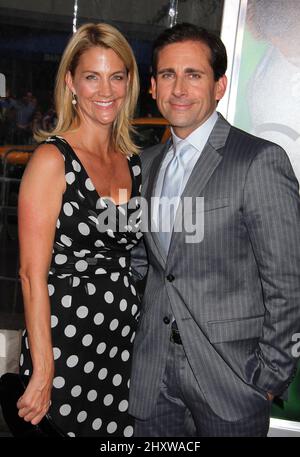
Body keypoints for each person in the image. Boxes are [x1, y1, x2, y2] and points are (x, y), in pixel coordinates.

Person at [129, 23, 300, 437]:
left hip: (232, 380)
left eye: (194, 74)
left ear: (220, 85)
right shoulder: (144, 164)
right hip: (153, 377)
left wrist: (270, 376)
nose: (179, 88)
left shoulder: (258, 160)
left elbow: (288, 282)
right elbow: (145, 263)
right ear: (153, 86)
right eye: (168, 74)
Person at [17, 22, 141, 437]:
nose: (105, 90)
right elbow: (32, 275)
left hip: (123, 345)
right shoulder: (53, 160)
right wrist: (43, 367)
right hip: (65, 344)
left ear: (129, 83)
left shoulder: (133, 161)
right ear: (70, 82)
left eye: (116, 76)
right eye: (92, 77)